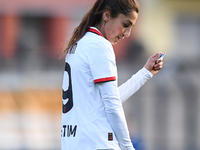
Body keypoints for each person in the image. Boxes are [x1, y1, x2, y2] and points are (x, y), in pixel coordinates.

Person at [61, 0, 163, 150]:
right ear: (107, 15)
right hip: (97, 143)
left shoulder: (78, 45)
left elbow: (108, 100)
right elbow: (112, 105)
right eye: (126, 24)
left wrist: (145, 73)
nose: (127, 33)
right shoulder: (100, 46)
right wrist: (128, 147)